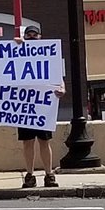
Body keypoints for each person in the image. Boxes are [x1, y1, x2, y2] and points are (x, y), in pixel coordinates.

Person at [16, 24, 65, 188]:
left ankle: (49, 174)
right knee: (27, 142)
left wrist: (62, 89)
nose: (31, 37)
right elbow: (6, 65)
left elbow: (58, 77)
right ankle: (29, 175)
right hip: (25, 105)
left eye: (34, 35)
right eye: (28, 35)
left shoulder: (49, 56)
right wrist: (16, 44)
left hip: (43, 106)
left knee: (44, 142)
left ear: (40, 37)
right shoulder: (18, 53)